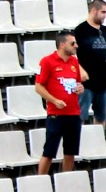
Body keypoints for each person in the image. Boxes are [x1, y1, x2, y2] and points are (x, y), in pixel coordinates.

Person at [34, 31, 84, 175]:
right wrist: (54, 100)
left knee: (70, 152)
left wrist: (80, 87)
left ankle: (66, 181)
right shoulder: (47, 61)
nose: (76, 46)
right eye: (72, 43)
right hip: (56, 114)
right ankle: (41, 180)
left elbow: (77, 82)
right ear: (62, 45)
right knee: (49, 151)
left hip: (73, 113)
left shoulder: (74, 62)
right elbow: (38, 86)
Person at [73, 0, 106, 125]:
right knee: (80, 116)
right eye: (103, 12)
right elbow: (71, 54)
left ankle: (99, 137)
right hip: (86, 84)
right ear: (93, 11)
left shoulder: (105, 30)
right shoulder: (80, 30)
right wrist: (80, 71)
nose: (105, 15)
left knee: (101, 117)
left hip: (103, 82)